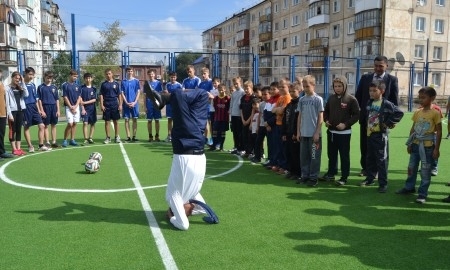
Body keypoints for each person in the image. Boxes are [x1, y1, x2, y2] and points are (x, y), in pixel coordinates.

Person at [153, 85, 215, 231]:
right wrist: (188, 209)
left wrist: (172, 217)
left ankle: (166, 98)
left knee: (192, 96)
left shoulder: (173, 197)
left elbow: (184, 225)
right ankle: (166, 97)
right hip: (195, 151)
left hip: (190, 151)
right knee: (200, 95)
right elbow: (200, 210)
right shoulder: (189, 195)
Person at [395, 87, 441, 203]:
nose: (421, 100)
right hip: (415, 145)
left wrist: (436, 148)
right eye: (419, 98)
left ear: (432, 98)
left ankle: (422, 194)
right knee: (411, 168)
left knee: (425, 171)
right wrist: (409, 143)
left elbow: (439, 131)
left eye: (423, 98)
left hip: (428, 147)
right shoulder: (417, 112)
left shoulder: (435, 113)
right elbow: (413, 128)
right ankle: (409, 187)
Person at [355, 55, 399, 177]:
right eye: (376, 66)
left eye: (381, 66)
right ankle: (366, 169)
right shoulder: (365, 78)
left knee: (382, 147)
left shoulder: (392, 80)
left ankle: (381, 170)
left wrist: (390, 121)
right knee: (365, 145)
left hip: (382, 122)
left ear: (386, 66)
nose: (378, 68)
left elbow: (394, 102)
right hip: (366, 119)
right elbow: (358, 97)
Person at [360, 81, 403, 193]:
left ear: (382, 91)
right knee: (370, 158)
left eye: (375, 90)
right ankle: (370, 178)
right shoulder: (369, 102)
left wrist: (388, 123)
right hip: (369, 135)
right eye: (370, 90)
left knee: (381, 160)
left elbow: (399, 113)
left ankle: (383, 183)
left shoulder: (386, 103)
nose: (372, 93)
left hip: (380, 136)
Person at [321, 76, 360, 186]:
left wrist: (345, 124)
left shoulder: (351, 99)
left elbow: (357, 115)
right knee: (331, 155)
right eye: (335, 86)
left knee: (344, 156)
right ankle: (331, 173)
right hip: (331, 133)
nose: (337, 88)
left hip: (344, 134)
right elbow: (326, 112)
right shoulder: (331, 98)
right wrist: (326, 120)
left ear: (345, 86)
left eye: (340, 86)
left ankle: (344, 177)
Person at [296, 75, 324, 187]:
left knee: (314, 157)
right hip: (304, 133)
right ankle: (305, 175)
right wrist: (298, 132)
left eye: (307, 86)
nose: (305, 88)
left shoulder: (318, 99)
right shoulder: (302, 100)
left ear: (313, 86)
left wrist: (317, 132)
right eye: (304, 86)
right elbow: (299, 116)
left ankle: (313, 177)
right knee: (304, 157)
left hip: (314, 136)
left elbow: (321, 116)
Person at [22, 67, 49, 152]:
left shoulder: (33, 85)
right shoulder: (21, 85)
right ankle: (30, 146)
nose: (31, 76)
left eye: (33, 75)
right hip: (25, 108)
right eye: (30, 74)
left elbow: (36, 99)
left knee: (42, 126)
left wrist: (40, 110)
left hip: (34, 107)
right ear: (25, 74)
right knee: (26, 127)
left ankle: (41, 145)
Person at [270, 78, 292, 175]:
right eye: (280, 87)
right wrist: (278, 109)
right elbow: (273, 110)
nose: (281, 88)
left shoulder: (288, 98)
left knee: (284, 148)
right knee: (278, 146)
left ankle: (284, 166)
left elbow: (282, 111)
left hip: (284, 126)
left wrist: (278, 109)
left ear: (288, 87)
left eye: (283, 86)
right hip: (278, 125)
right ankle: (279, 164)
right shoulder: (280, 98)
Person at [282, 82, 302, 179]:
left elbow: (299, 120)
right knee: (289, 152)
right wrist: (284, 132)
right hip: (288, 133)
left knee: (296, 154)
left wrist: (296, 132)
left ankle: (297, 173)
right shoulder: (289, 105)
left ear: (299, 91)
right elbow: (285, 119)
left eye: (294, 91)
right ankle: (291, 170)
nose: (292, 93)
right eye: (290, 91)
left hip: (295, 134)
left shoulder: (300, 103)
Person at [6, 71, 28, 155]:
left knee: (19, 130)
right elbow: (7, 103)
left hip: (20, 111)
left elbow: (26, 94)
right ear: (12, 77)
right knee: (13, 130)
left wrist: (23, 82)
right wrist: (9, 114)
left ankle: (18, 148)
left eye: (19, 79)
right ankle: (14, 149)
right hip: (12, 111)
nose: (17, 80)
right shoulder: (7, 88)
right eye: (16, 78)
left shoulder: (20, 87)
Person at [37, 70, 59, 148]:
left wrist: (58, 110)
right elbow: (39, 100)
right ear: (45, 77)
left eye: (51, 78)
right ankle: (47, 142)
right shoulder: (41, 87)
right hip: (45, 107)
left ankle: (54, 141)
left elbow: (57, 99)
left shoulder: (54, 87)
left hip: (53, 107)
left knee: (53, 125)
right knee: (46, 125)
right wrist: (42, 110)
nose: (49, 79)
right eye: (48, 77)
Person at [99, 68, 122, 144]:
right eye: (106, 74)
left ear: (112, 74)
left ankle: (117, 137)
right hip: (107, 104)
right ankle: (108, 137)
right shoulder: (103, 84)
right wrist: (102, 105)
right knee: (107, 122)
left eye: (109, 73)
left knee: (116, 121)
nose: (108, 75)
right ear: (105, 75)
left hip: (114, 104)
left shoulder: (116, 84)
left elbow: (119, 95)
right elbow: (101, 95)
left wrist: (120, 105)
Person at [61, 69, 81, 147]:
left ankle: (72, 140)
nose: (75, 78)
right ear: (70, 75)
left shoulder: (77, 86)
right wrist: (71, 107)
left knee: (75, 123)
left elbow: (79, 97)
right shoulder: (65, 85)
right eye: (74, 76)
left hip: (76, 107)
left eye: (76, 76)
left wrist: (76, 106)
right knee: (70, 123)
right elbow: (65, 97)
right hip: (68, 107)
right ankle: (65, 140)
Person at [251, 86, 270, 164]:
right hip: (262, 126)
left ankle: (269, 159)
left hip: (268, 126)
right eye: (263, 94)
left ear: (270, 94)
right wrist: (258, 126)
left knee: (269, 143)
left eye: (266, 94)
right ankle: (257, 157)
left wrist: (269, 125)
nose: (264, 96)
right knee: (258, 141)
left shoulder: (271, 103)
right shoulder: (261, 104)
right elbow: (260, 115)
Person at [121, 67, 141, 142]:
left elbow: (138, 92)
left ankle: (134, 136)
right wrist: (126, 102)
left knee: (135, 119)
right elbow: (122, 93)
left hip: (134, 104)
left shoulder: (136, 81)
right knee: (126, 120)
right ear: (126, 72)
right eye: (128, 71)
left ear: (133, 72)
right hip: (126, 104)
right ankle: (128, 136)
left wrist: (135, 102)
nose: (130, 72)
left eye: (131, 71)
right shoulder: (123, 81)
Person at [145, 69, 163, 142]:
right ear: (148, 75)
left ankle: (157, 135)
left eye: (152, 74)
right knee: (149, 121)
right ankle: (150, 136)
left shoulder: (158, 83)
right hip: (149, 104)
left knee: (157, 120)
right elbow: (144, 96)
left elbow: (161, 95)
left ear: (154, 75)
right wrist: (145, 106)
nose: (151, 75)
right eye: (149, 74)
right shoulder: (146, 84)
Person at [239, 80, 256, 157]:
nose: (246, 90)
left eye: (247, 88)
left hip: (251, 121)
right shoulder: (243, 98)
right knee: (244, 136)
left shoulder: (254, 98)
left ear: (251, 88)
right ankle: (246, 151)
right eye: (245, 88)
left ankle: (251, 152)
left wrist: (249, 121)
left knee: (250, 137)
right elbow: (241, 109)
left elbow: (253, 110)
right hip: (244, 120)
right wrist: (243, 120)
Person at [164, 71, 182, 142]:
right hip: (169, 105)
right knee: (169, 120)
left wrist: (170, 94)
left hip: (177, 105)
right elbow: (166, 94)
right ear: (169, 77)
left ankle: (176, 135)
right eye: (171, 77)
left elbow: (180, 95)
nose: (173, 78)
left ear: (176, 77)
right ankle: (169, 135)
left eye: (174, 77)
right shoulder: (167, 85)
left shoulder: (179, 85)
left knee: (176, 121)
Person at [0, 69, 14, 159]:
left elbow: (6, 100)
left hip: (2, 113)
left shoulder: (2, 85)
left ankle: (1, 152)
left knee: (1, 133)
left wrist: (8, 113)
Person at [211, 83, 230, 151]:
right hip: (217, 118)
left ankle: (221, 146)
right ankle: (214, 145)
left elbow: (228, 108)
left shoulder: (227, 98)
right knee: (215, 132)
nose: (221, 91)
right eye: (219, 90)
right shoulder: (216, 98)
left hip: (224, 119)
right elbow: (215, 107)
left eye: (222, 90)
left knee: (222, 133)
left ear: (225, 90)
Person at [80, 73, 97, 144]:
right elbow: (80, 99)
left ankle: (90, 138)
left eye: (89, 78)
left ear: (91, 79)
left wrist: (85, 102)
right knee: (85, 123)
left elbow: (94, 100)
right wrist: (83, 108)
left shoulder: (94, 88)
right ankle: (86, 138)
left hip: (92, 109)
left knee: (92, 124)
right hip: (85, 109)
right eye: (86, 78)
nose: (88, 79)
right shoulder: (81, 88)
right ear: (84, 79)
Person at [229, 76, 244, 154]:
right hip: (233, 114)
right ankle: (236, 147)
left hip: (239, 115)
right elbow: (231, 103)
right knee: (234, 132)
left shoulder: (243, 92)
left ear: (240, 83)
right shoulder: (234, 93)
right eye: (234, 84)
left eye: (237, 84)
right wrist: (230, 112)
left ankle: (241, 148)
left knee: (239, 132)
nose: (235, 85)